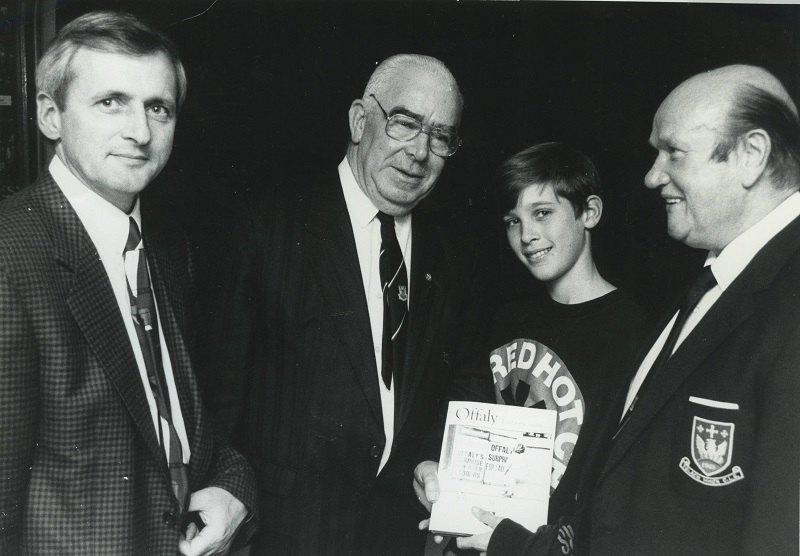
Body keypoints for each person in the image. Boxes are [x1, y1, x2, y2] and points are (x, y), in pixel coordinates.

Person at [451, 64, 800, 555]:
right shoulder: (706, 288)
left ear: (751, 155)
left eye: (674, 152)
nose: (652, 175)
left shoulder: (781, 299)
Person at [202, 54, 492, 555]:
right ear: (360, 120)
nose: (419, 151)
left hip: (394, 536)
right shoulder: (266, 223)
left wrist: (433, 457)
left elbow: (463, 376)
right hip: (281, 534)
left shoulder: (455, 251)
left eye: (440, 136)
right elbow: (216, 393)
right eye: (404, 123)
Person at [0, 11, 256, 555]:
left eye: (158, 108)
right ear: (50, 115)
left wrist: (234, 489)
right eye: (111, 102)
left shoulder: (170, 246)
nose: (140, 133)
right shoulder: (10, 254)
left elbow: (191, 422)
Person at [421, 143, 651, 555]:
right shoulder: (507, 318)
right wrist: (438, 476)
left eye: (542, 213)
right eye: (513, 221)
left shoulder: (633, 332)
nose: (526, 235)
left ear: (589, 212)